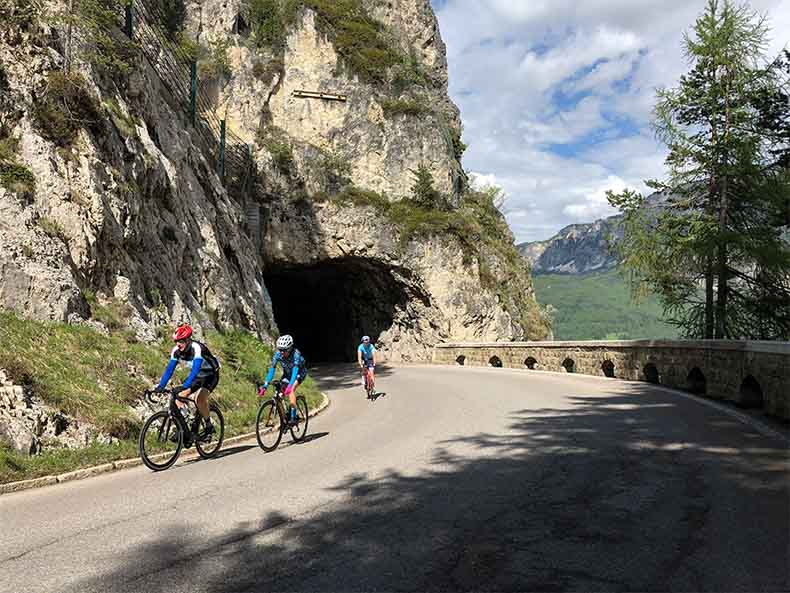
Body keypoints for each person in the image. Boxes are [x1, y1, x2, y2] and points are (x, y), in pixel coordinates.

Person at [154, 323, 220, 442]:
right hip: (199, 375)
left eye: (181, 341)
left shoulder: (197, 348)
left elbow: (195, 369)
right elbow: (169, 370)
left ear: (188, 339)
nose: (178, 344)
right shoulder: (176, 350)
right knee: (178, 396)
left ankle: (209, 426)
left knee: (199, 399)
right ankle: (184, 426)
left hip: (211, 375)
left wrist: (185, 386)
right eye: (176, 341)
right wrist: (160, 386)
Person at [259, 334, 306, 424]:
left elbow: (295, 371)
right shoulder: (278, 355)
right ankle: (284, 417)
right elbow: (272, 369)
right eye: (280, 349)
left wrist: (290, 386)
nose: (281, 352)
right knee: (279, 394)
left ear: (290, 349)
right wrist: (265, 385)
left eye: (284, 350)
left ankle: (293, 416)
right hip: (287, 374)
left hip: (299, 373)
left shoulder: (296, 354)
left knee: (291, 390)